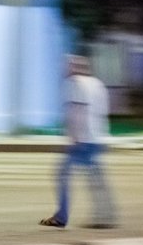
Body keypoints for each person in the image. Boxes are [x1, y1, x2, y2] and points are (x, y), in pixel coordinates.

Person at [40, 54, 117, 229]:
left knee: (61, 174)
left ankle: (61, 217)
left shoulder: (73, 83)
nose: (64, 69)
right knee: (96, 179)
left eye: (67, 66)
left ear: (74, 68)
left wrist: (74, 137)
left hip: (83, 140)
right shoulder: (98, 84)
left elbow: (77, 110)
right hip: (98, 138)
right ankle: (107, 216)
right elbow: (103, 111)